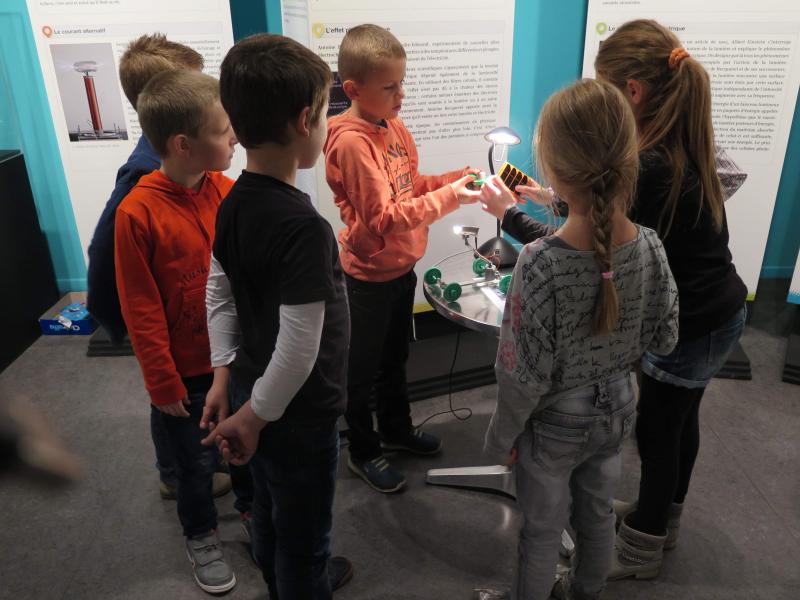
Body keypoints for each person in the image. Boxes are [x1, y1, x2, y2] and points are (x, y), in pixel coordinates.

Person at [484, 18, 749, 583]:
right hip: (717, 312)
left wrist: (510, 215)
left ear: (632, 91)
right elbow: (611, 220)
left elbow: (580, 251)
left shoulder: (650, 168)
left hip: (695, 323)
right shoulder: (674, 149)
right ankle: (659, 519)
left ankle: (645, 542)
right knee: (676, 426)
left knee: (659, 435)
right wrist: (557, 197)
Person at [481, 78, 679, 600]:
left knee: (542, 530)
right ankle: (586, 590)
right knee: (596, 515)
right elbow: (666, 336)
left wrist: (501, 439)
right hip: (619, 408)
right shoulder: (651, 245)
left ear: (555, 169)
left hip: (555, 423)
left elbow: (520, 375)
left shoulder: (539, 262)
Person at [200, 34, 353, 598]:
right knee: (305, 537)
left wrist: (224, 378)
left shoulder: (233, 201)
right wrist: (254, 418)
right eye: (326, 113)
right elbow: (298, 348)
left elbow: (218, 295)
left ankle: (277, 577)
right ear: (306, 119)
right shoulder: (304, 228)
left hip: (251, 390)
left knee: (266, 506)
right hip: (296, 413)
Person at [324, 23, 481, 493]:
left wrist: (455, 179)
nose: (402, 95)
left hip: (400, 269)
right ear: (354, 89)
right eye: (390, 87)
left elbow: (408, 188)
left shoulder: (391, 125)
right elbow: (384, 218)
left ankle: (395, 429)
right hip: (368, 279)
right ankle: (363, 450)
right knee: (361, 369)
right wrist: (453, 197)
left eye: (401, 83)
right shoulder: (351, 143)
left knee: (394, 357)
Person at [85, 33, 231, 501]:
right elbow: (109, 255)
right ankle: (174, 473)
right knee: (174, 410)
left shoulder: (212, 181)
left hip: (208, 337)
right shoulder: (140, 181)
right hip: (173, 339)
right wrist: (112, 319)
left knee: (199, 408)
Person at [115, 69, 238, 594]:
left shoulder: (229, 192)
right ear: (184, 145)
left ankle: (255, 516)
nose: (235, 138)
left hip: (234, 361)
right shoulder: (136, 213)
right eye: (224, 130)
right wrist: (162, 383)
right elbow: (140, 309)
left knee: (244, 451)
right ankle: (201, 535)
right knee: (194, 465)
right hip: (184, 374)